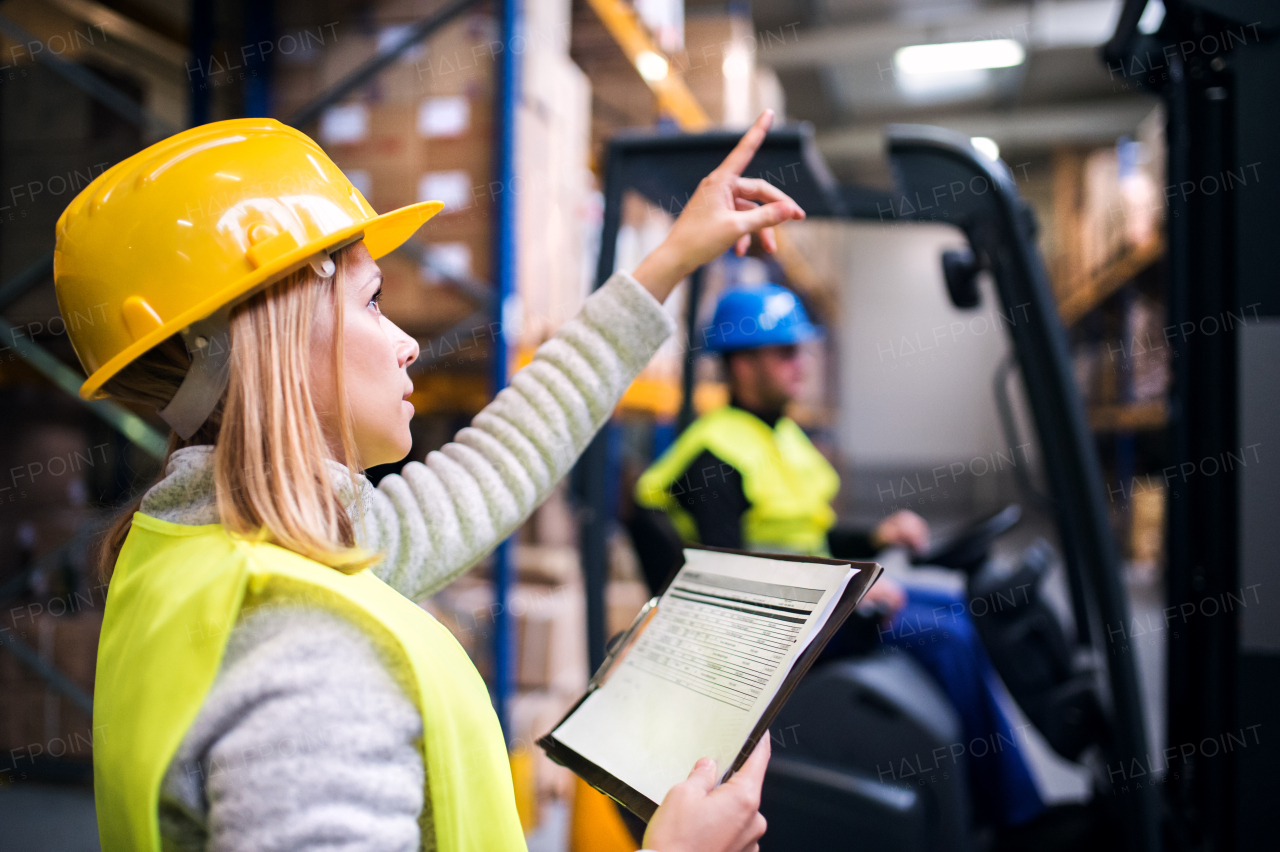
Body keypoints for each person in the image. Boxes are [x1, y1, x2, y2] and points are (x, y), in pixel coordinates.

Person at [65, 111, 802, 852]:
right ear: (272, 339)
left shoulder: (205, 555)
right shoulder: (301, 643)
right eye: (373, 302)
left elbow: (500, 461)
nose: (408, 344)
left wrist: (672, 258)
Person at [633, 283, 1046, 828]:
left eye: (799, 350)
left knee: (957, 611)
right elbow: (733, 580)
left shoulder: (779, 436)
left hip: (812, 604)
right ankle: (1013, 816)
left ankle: (996, 800)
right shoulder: (715, 456)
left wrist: (876, 537)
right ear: (741, 366)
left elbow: (808, 536)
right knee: (948, 641)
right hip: (776, 633)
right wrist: (855, 592)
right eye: (784, 353)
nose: (800, 365)